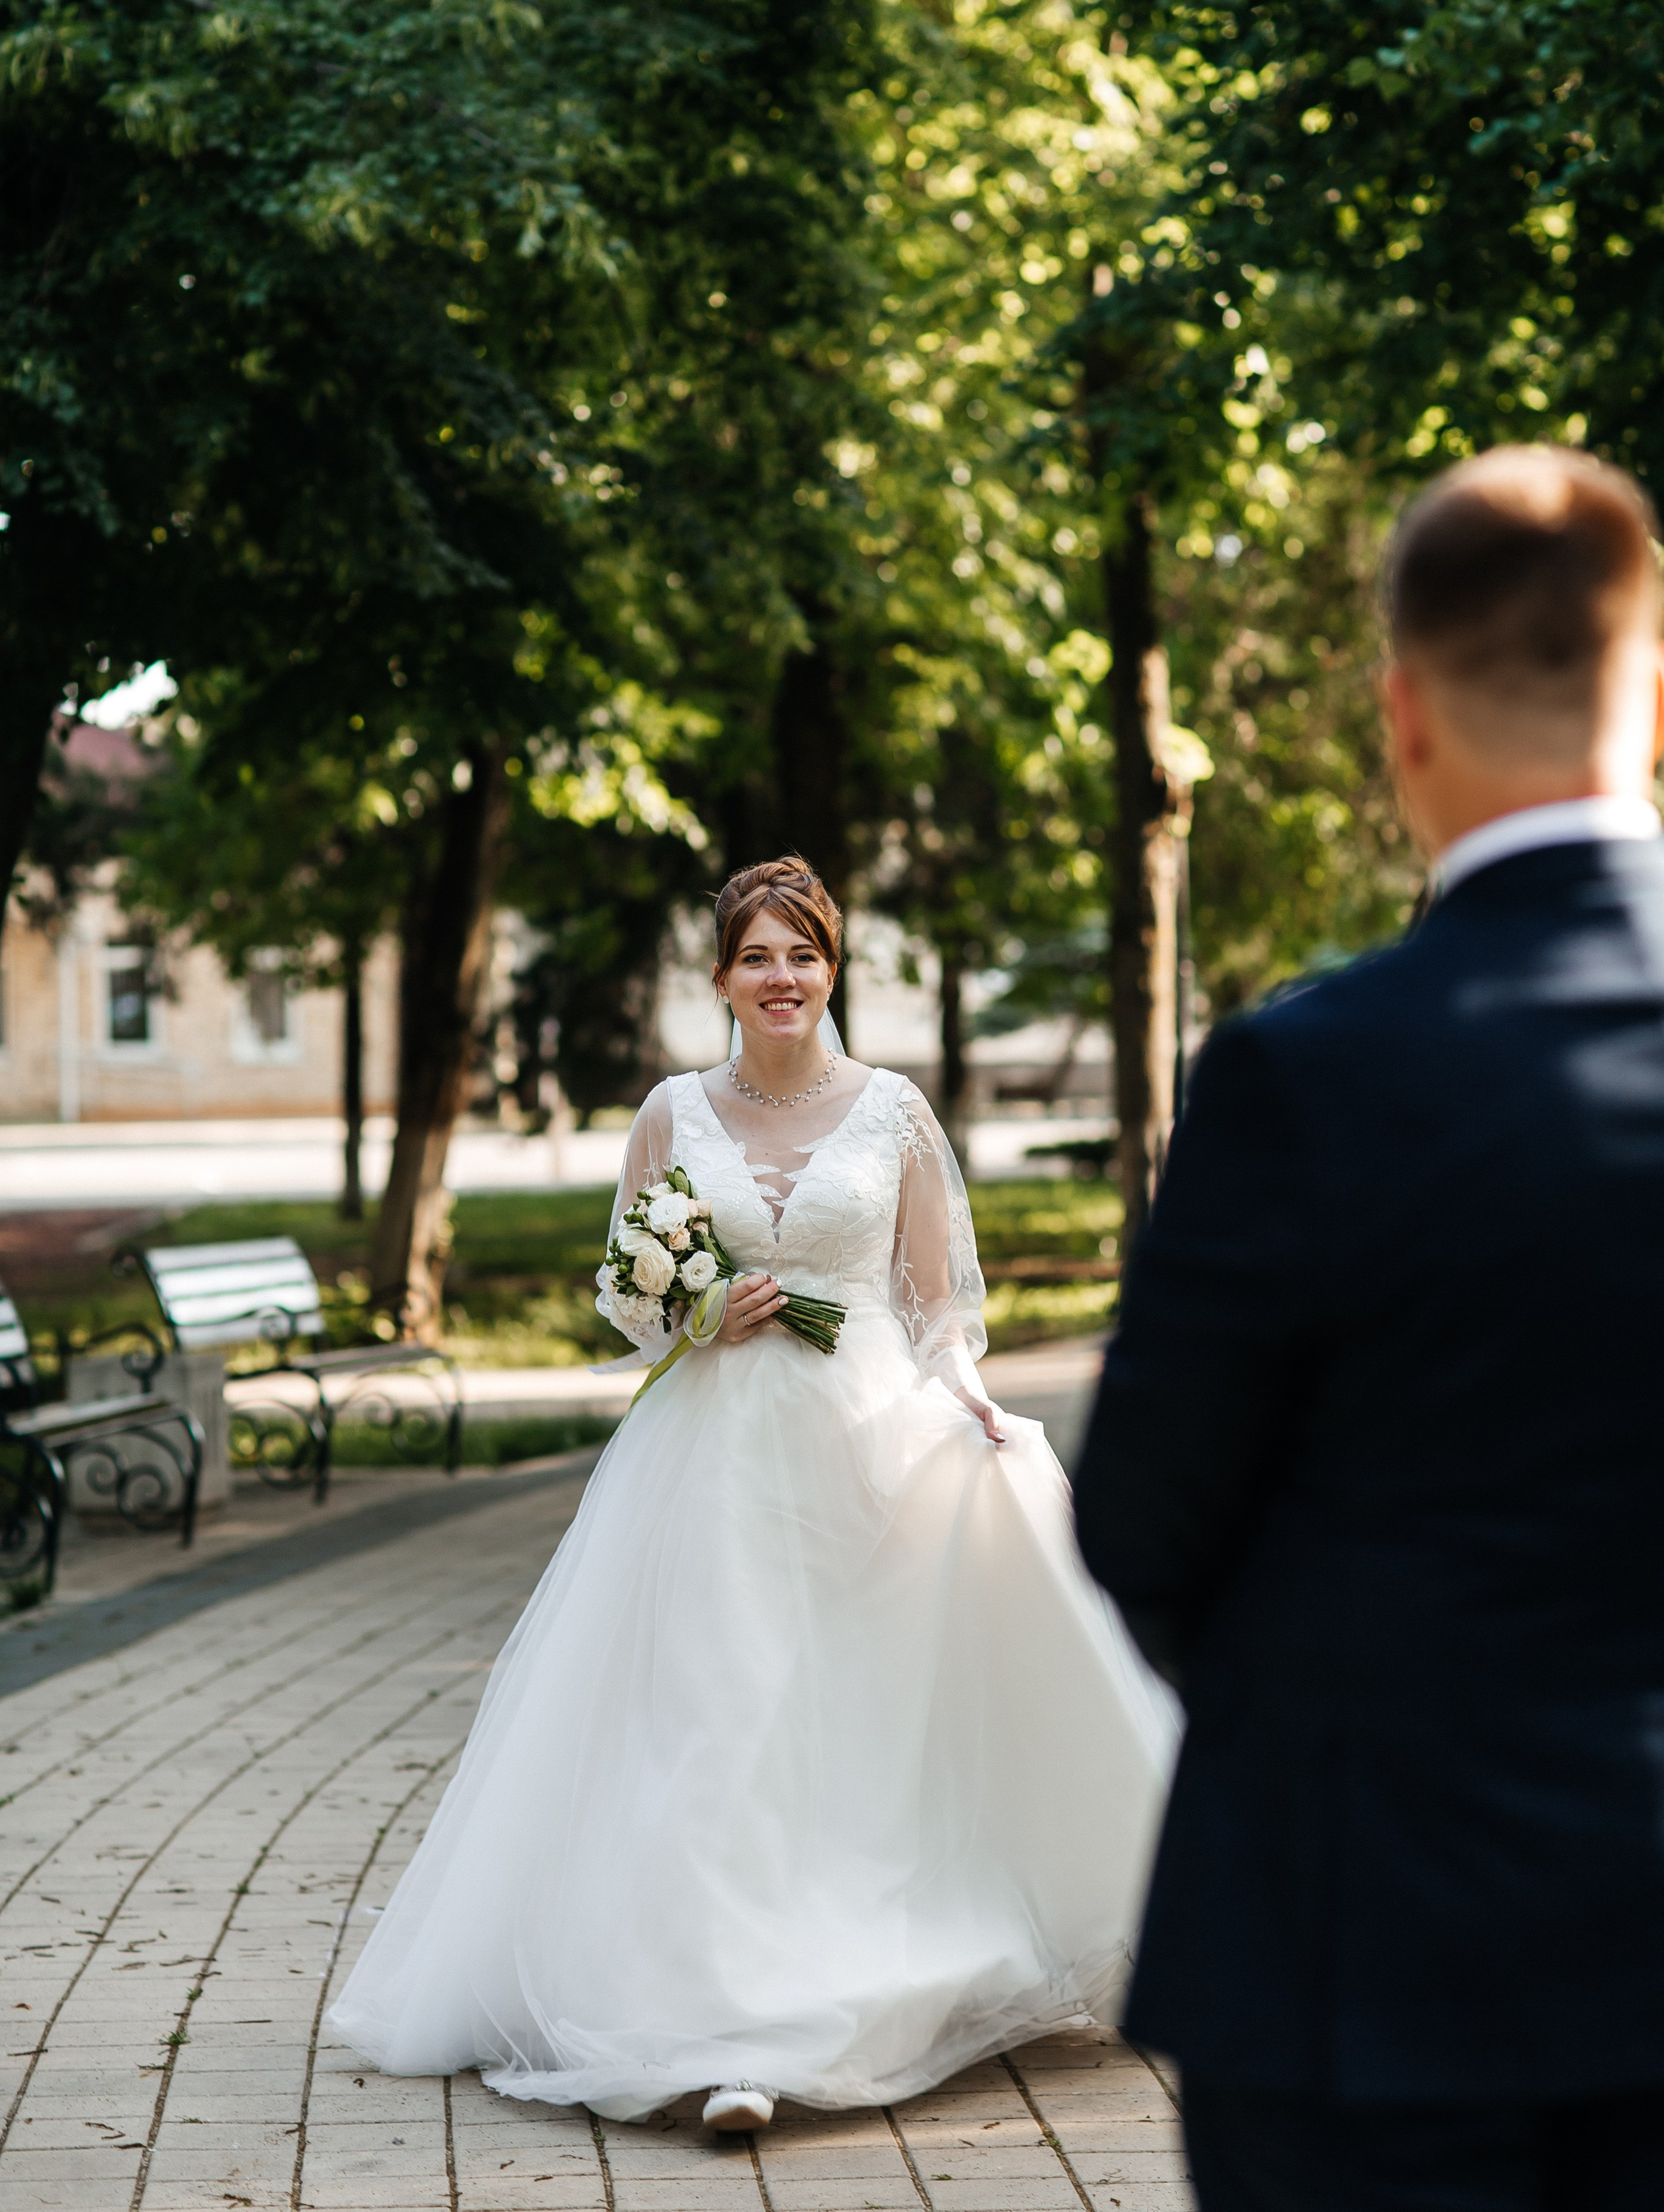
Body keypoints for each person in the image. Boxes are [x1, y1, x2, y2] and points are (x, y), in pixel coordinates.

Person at [330, 854, 1176, 2134]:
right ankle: (733, 2035)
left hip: (869, 1451)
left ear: (830, 969)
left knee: (851, 1725)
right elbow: (622, 1290)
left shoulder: (890, 1111)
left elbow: (938, 1307)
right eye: (757, 957)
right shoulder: (672, 1111)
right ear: (720, 977)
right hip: (715, 1453)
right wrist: (694, 1306)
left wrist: (972, 1401)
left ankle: (880, 1958)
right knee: (723, 1715)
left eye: (803, 954)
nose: (782, 978)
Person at [1074, 445, 1664, 2210]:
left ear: (1401, 714)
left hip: (1362, 1959)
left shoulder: (1300, 1076)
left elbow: (1142, 1520)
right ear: (1651, 697)